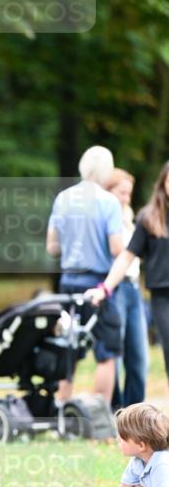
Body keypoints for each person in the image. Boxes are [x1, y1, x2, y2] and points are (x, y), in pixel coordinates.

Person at [46, 145, 124, 403]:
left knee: (69, 347)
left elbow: (52, 247)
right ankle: (101, 416)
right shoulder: (109, 202)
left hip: (68, 282)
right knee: (106, 352)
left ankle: (60, 408)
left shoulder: (63, 198)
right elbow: (116, 248)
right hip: (98, 286)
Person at [87, 160, 169, 387]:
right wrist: (106, 288)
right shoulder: (149, 218)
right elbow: (125, 257)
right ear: (163, 182)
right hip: (163, 296)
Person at [105, 168, 149, 407]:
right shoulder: (106, 217)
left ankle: (134, 412)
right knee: (115, 354)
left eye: (129, 193)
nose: (126, 198)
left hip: (133, 289)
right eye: (122, 192)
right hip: (116, 289)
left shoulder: (129, 217)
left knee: (139, 357)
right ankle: (116, 410)